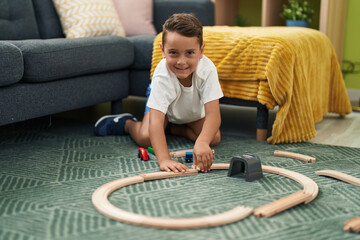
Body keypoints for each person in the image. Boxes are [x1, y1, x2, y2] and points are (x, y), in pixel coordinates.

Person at [94, 13, 223, 173]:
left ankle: (172, 129)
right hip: (164, 111)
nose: (181, 62)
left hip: (191, 113)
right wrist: (164, 159)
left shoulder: (208, 70)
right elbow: (155, 122)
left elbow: (213, 115)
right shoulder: (162, 75)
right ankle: (128, 124)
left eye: (190, 53)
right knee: (145, 137)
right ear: (163, 51)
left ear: (201, 50)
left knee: (214, 138)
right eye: (173, 53)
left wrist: (202, 142)